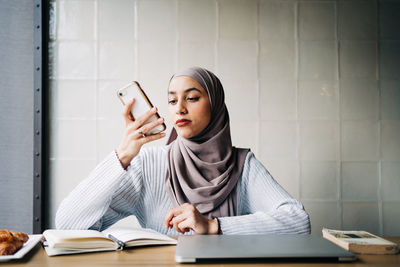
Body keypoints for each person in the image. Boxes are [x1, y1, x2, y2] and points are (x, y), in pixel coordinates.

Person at [56, 67, 310, 235]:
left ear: (216, 104)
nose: (179, 108)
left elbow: (299, 222)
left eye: (192, 98)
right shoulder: (150, 164)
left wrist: (213, 227)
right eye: (172, 100)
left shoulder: (242, 164)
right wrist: (122, 155)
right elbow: (68, 225)